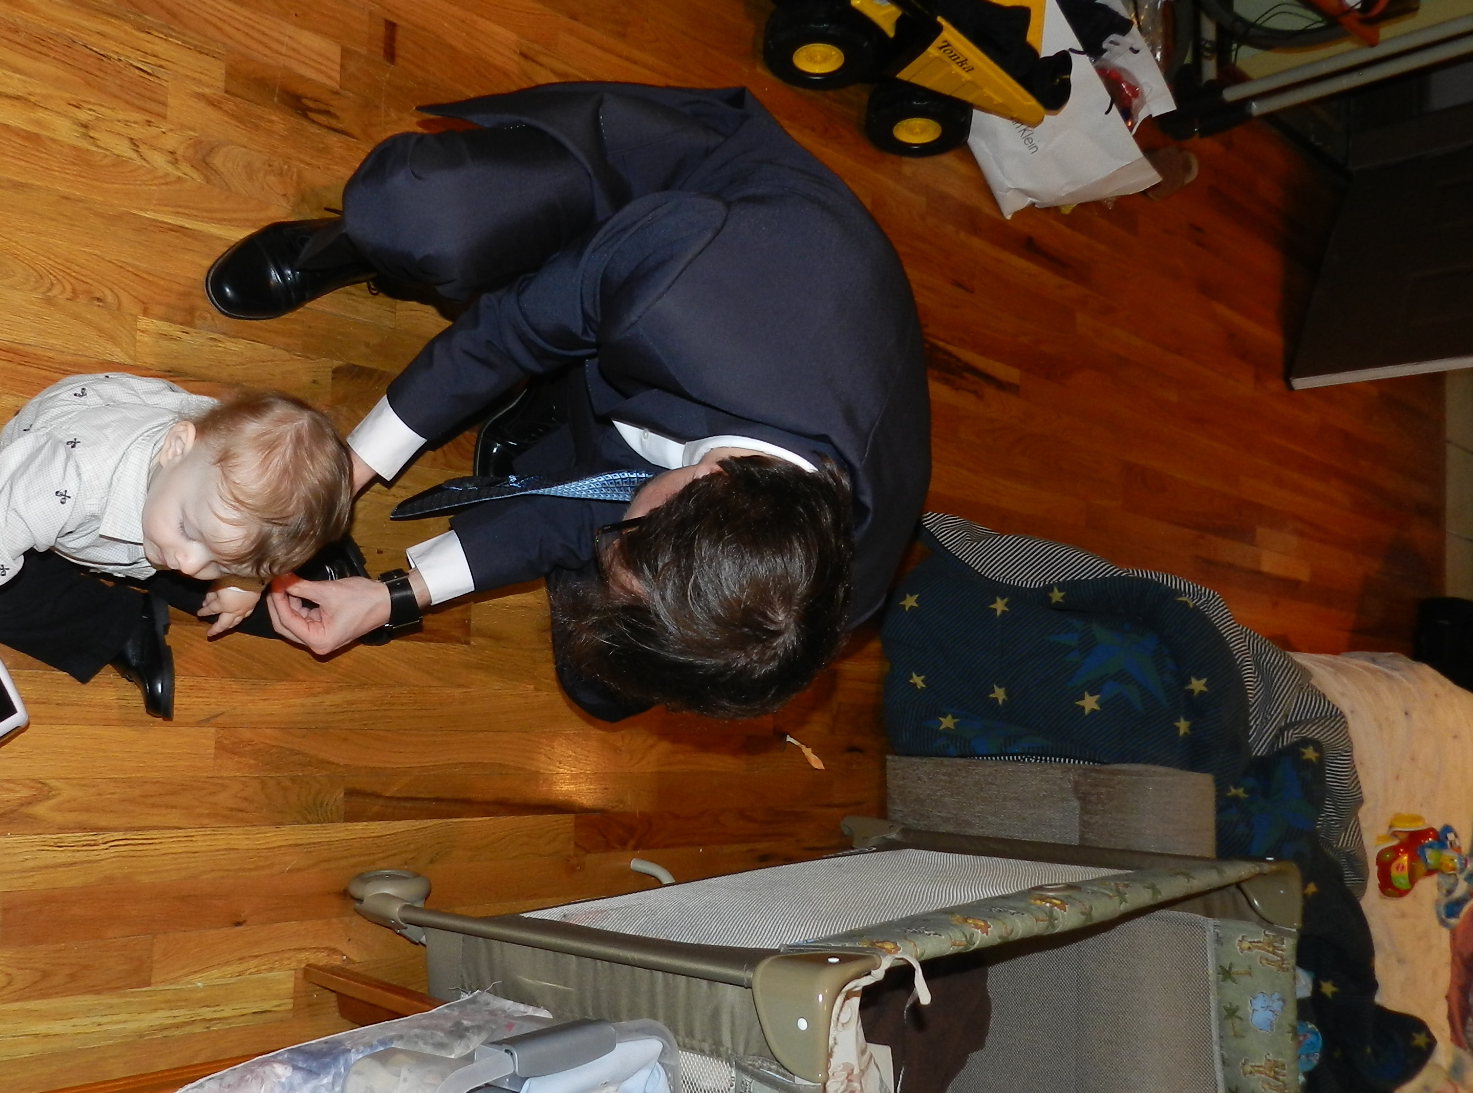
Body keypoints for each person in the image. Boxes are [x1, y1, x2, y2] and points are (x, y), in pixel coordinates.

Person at [204, 83, 930, 721]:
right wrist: (341, 475)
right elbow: (507, 333)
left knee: (605, 689)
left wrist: (397, 594)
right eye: (623, 539)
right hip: (670, 206)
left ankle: (554, 433)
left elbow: (609, 516)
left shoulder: (823, 605)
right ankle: (352, 246)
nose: (605, 546)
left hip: (697, 405)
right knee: (424, 214)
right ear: (708, 483)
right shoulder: (684, 290)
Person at [0, 372, 350, 741]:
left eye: (220, 560)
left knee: (261, 601)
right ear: (176, 449)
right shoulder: (56, 482)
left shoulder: (201, 496)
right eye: (190, 532)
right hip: (44, 489)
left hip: (156, 514)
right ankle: (127, 627)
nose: (189, 565)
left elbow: (209, 541)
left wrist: (245, 580)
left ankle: (306, 583)